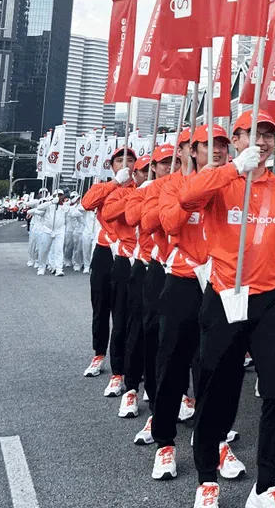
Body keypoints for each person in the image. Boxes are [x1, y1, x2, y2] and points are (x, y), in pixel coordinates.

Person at [179, 110, 275, 508]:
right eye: (254, 134)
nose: (263, 142)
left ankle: (266, 486)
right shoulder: (221, 180)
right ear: (236, 139)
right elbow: (186, 197)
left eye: (269, 135)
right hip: (225, 297)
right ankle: (206, 480)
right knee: (218, 392)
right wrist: (232, 167)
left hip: (269, 300)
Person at [151, 126, 237, 482]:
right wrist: (200, 185)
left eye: (222, 144)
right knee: (172, 365)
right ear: (191, 149)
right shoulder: (173, 184)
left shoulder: (234, 183)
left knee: (217, 369)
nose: (215, 150)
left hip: (220, 287)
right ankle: (165, 442)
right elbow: (169, 221)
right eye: (207, 145)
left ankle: (214, 440)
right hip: (184, 283)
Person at [132, 144, 177, 446]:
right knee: (154, 336)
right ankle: (154, 405)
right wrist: (154, 192)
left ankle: (197, 411)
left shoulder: (194, 184)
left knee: (190, 346)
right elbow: (140, 220)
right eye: (162, 163)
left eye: (174, 161)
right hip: (158, 266)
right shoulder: (152, 188)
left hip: (195, 273)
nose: (168, 167)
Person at [81, 146, 137, 384]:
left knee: (124, 310)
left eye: (130, 160)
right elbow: (87, 203)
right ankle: (99, 353)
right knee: (101, 305)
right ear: (112, 165)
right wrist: (115, 182)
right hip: (105, 251)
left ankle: (125, 360)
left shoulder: (139, 189)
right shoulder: (103, 187)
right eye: (119, 160)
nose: (126, 164)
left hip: (127, 254)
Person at [118, 155, 154, 419]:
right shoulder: (137, 194)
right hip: (144, 266)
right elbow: (130, 218)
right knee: (137, 330)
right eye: (149, 168)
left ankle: (168, 393)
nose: (165, 168)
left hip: (179, 272)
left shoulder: (182, 187)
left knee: (166, 338)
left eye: (170, 162)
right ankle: (131, 387)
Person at [29, 189, 69, 276]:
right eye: (57, 195)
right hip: (47, 229)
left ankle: (58, 268)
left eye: (61, 195)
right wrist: (51, 202)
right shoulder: (48, 204)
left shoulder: (65, 206)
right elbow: (39, 208)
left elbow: (67, 216)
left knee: (58, 250)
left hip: (59, 230)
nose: (59, 197)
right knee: (44, 249)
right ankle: (41, 267)